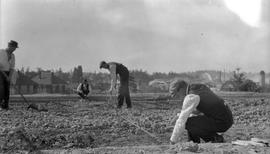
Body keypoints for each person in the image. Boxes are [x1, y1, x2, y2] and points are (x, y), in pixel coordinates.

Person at [169, 79, 233, 144]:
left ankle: (214, 138)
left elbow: (182, 121)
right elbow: (197, 110)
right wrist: (179, 115)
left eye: (177, 95)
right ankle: (193, 142)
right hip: (227, 119)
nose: (179, 98)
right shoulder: (198, 87)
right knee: (191, 120)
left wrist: (173, 140)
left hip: (222, 122)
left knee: (187, 122)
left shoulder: (191, 96)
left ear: (181, 89)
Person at [0, 40, 18, 110]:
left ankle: (5, 106)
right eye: (13, 47)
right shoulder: (1, 52)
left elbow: (12, 68)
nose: (14, 49)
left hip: (7, 72)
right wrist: (4, 75)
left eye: (15, 48)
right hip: (0, 72)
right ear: (9, 46)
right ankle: (0, 105)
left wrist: (9, 77)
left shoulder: (13, 56)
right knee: (1, 88)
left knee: (7, 89)